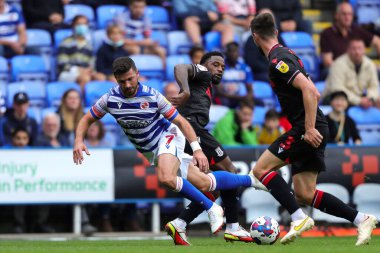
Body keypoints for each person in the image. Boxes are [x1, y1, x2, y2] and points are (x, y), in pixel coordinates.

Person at [73, 56, 264, 240]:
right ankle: (251, 179)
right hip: (150, 150)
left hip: (168, 136)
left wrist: (197, 149)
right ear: (116, 80)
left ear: (137, 74)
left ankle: (212, 208)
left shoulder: (153, 96)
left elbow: (181, 121)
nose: (128, 85)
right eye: (123, 81)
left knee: (166, 177)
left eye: (131, 79)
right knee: (205, 183)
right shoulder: (109, 99)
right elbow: (87, 118)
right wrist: (78, 140)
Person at [249, 12, 377, 245]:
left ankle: (298, 218)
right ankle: (361, 219)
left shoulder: (278, 59)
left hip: (308, 128)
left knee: (260, 170)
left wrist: (308, 129)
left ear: (255, 37)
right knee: (305, 193)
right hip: (317, 125)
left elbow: (310, 90)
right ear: (276, 32)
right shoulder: (287, 53)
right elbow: (311, 91)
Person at [167, 52, 262, 245]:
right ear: (203, 65)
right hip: (192, 128)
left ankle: (180, 223)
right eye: (215, 64)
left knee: (214, 186)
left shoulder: (206, 84)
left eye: (222, 67)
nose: (219, 69)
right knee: (230, 171)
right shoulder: (201, 72)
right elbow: (180, 67)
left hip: (189, 130)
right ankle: (233, 227)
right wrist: (184, 91)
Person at [10, 127, 55, 234]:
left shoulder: (33, 152)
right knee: (18, 195)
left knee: (45, 193)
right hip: (14, 186)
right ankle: (18, 225)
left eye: (24, 138)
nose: (21, 142)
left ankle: (41, 224)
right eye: (18, 138)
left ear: (28, 140)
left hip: (32, 184)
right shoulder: (5, 151)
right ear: (13, 140)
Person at [320, 2, 380, 70]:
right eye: (344, 14)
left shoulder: (356, 30)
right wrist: (350, 70)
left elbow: (377, 41)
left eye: (350, 14)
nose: (347, 17)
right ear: (336, 15)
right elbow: (327, 62)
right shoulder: (327, 33)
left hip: (359, 70)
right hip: (337, 70)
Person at [323, 38, 380, 108]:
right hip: (335, 97)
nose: (357, 52)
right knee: (340, 102)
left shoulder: (370, 64)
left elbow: (374, 86)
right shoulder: (338, 64)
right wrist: (359, 101)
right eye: (354, 49)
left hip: (359, 97)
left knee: (378, 100)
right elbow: (337, 88)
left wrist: (370, 98)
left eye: (360, 48)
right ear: (348, 50)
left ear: (365, 50)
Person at [57, 15, 105, 89]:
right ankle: (81, 100)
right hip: (67, 73)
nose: (82, 26)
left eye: (84, 24)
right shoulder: (65, 42)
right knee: (85, 78)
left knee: (101, 77)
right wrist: (78, 70)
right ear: (73, 26)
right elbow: (62, 64)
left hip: (85, 73)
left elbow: (92, 64)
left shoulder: (89, 45)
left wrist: (91, 71)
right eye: (79, 24)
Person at [114, 0, 166, 66]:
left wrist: (151, 43)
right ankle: (133, 74)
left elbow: (147, 38)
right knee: (135, 49)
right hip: (125, 47)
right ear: (130, 7)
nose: (139, 10)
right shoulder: (121, 18)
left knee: (161, 51)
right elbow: (119, 40)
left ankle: (164, 74)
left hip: (142, 47)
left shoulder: (146, 18)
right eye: (136, 7)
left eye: (141, 7)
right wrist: (141, 42)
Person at [215, 41, 253, 108]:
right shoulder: (219, 68)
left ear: (239, 53)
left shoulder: (245, 68)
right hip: (226, 100)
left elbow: (250, 89)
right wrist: (238, 98)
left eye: (235, 51)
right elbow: (219, 92)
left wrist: (248, 97)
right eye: (230, 51)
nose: (233, 54)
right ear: (226, 53)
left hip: (241, 101)